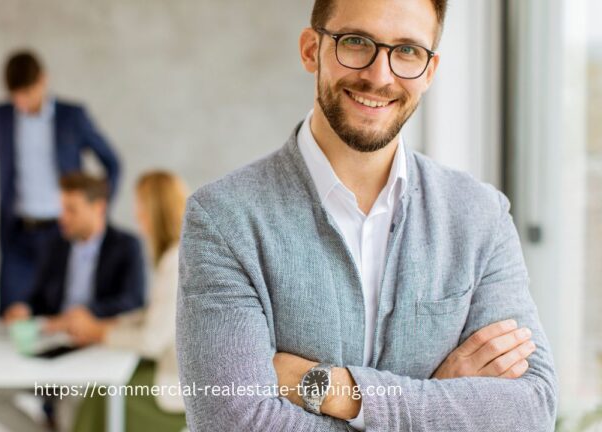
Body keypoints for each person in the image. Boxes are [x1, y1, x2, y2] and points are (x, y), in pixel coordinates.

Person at [176, 0, 557, 430]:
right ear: (310, 50)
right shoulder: (225, 219)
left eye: (408, 51)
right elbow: (234, 421)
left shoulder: (480, 215)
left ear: (430, 71)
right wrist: (439, 398)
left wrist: (333, 389)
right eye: (356, 42)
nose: (379, 76)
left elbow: (531, 407)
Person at [0, 50, 121, 315]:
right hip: (17, 233)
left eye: (28, 92)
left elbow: (112, 162)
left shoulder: (72, 116)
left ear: (43, 80)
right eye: (15, 95)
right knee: (12, 313)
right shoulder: (0, 118)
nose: (23, 101)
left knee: (55, 313)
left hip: (61, 232)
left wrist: (98, 211)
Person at [0, 172, 145, 432]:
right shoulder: (55, 245)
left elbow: (133, 301)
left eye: (71, 210)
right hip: (52, 344)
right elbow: (39, 298)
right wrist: (25, 308)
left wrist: (85, 314)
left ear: (98, 207)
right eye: (61, 209)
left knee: (71, 403)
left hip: (94, 347)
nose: (62, 218)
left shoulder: (126, 246)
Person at [72, 171, 188, 432]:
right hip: (174, 372)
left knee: (100, 395)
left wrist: (98, 332)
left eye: (141, 207)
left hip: (178, 390)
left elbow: (152, 340)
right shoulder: (179, 254)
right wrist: (110, 324)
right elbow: (155, 315)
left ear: (155, 210)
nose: (137, 216)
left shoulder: (176, 262)